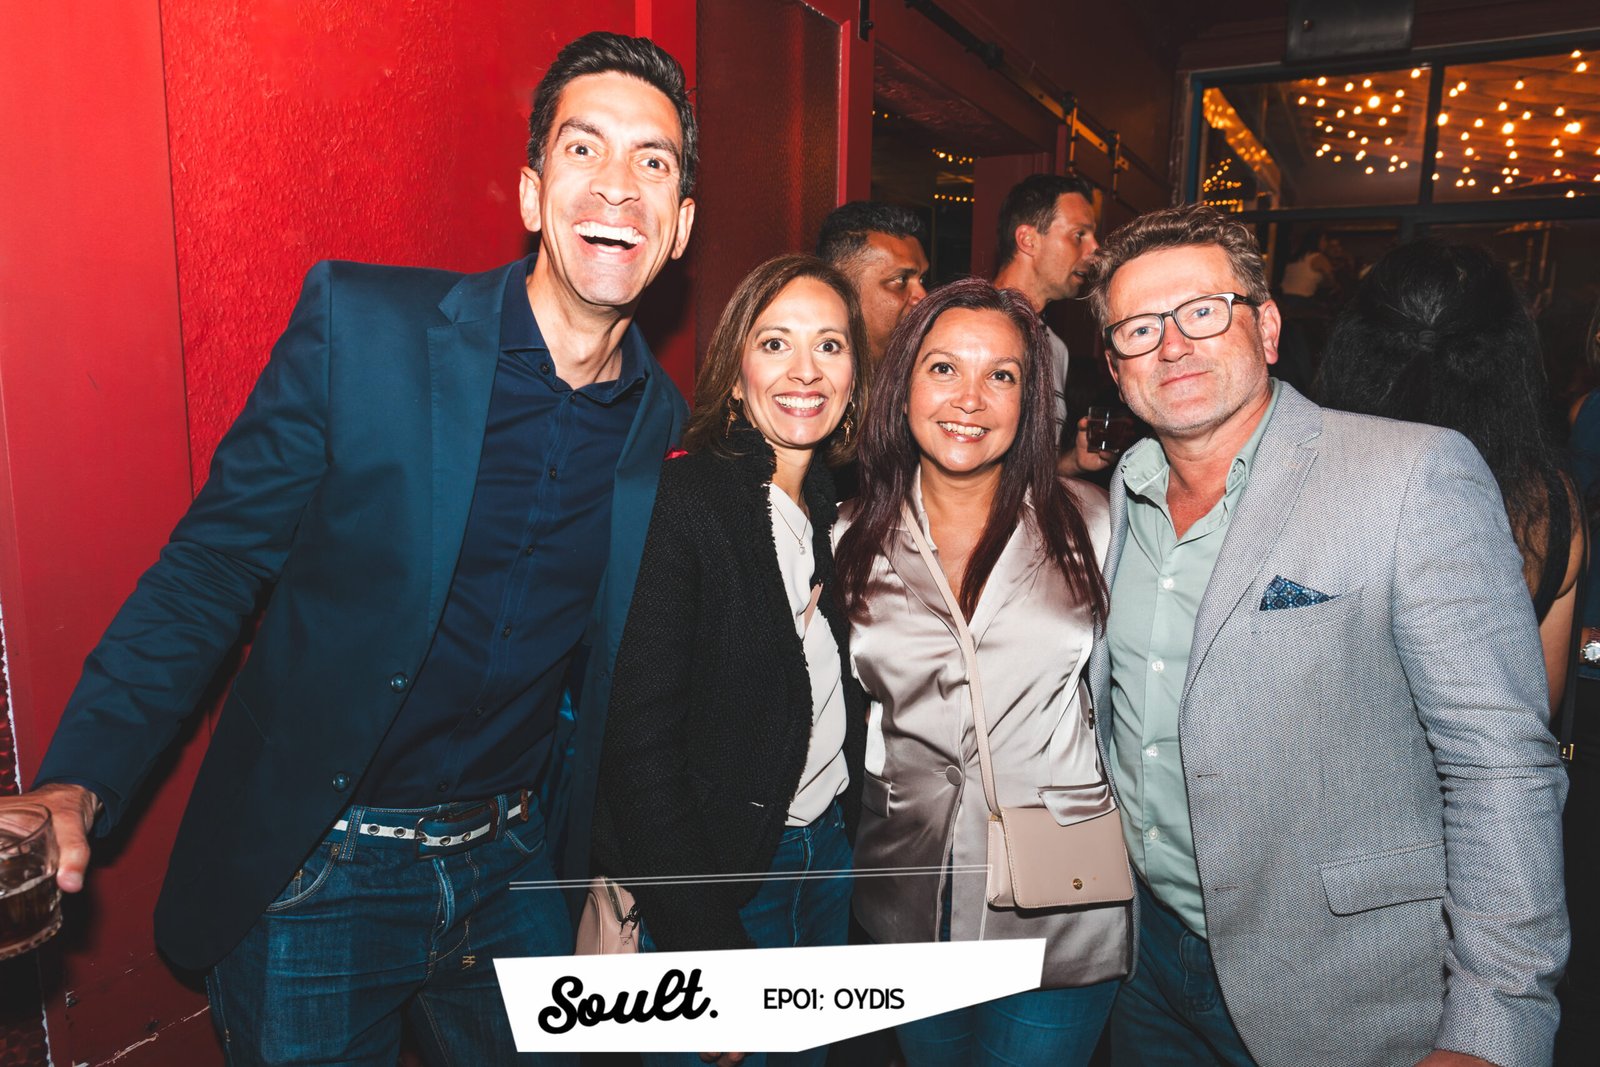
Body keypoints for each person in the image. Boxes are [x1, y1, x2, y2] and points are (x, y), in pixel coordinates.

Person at [10, 30, 697, 1065]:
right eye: (583, 148)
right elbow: (213, 567)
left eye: (653, 161)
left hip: (511, 865)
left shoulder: (660, 427)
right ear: (531, 193)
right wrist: (80, 776)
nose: (617, 185)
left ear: (679, 225)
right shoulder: (365, 330)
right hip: (320, 870)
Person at [1081, 203, 1566, 1067]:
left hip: (1334, 980)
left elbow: (1498, 763)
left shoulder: (1412, 473)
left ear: (1266, 327)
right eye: (1139, 329)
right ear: (1116, 369)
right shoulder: (1127, 488)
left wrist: (1495, 1020)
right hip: (1146, 957)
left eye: (1203, 312)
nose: (1173, 345)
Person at [832, 277, 1129, 1065]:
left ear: (1029, 400)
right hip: (910, 893)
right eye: (944, 368)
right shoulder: (847, 538)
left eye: (1001, 374)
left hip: (1062, 900)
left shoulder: (1096, 522)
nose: (970, 398)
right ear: (903, 385)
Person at [593, 253, 869, 1067]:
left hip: (827, 859)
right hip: (725, 879)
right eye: (776, 343)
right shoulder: (687, 502)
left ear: (855, 372)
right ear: (736, 371)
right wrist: (705, 944)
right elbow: (638, 749)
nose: (805, 370)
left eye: (829, 345)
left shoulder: (827, 506)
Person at [1320, 239, 1584, 713]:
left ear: (1356, 344)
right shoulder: (1548, 503)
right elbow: (1537, 699)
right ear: (1512, 351)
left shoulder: (1316, 478)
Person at [816, 200, 930, 366]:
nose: (924, 297)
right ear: (841, 289)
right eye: (901, 280)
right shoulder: (809, 375)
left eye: (922, 279)